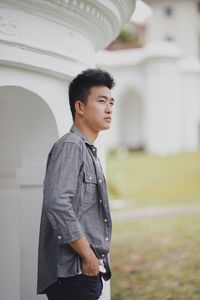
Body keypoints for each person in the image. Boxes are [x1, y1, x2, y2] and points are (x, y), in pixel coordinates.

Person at [37, 68, 115, 300]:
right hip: (73, 272)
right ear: (80, 107)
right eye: (101, 101)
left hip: (85, 272)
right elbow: (57, 202)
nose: (109, 108)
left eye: (111, 102)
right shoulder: (71, 146)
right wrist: (88, 256)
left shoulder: (88, 151)